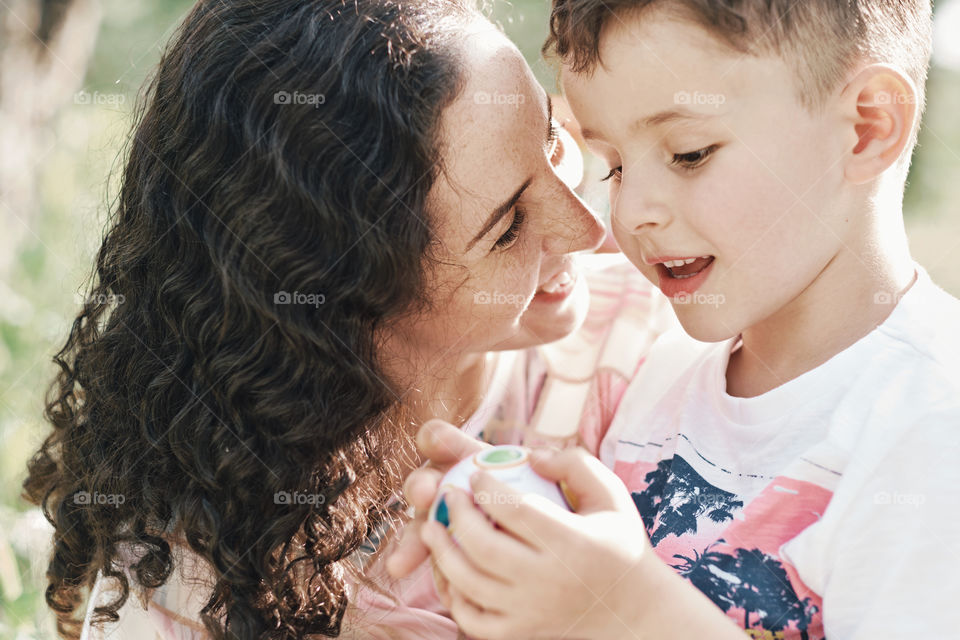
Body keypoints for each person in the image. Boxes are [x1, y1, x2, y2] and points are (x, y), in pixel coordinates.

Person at [21, 0, 670, 638]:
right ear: (342, 310)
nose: (589, 229)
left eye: (551, 140)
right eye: (506, 230)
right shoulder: (197, 594)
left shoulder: (654, 343)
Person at [392, 1, 960, 638]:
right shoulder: (657, 376)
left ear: (867, 127)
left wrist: (628, 610)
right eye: (614, 166)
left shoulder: (933, 429)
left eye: (690, 153)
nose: (629, 212)